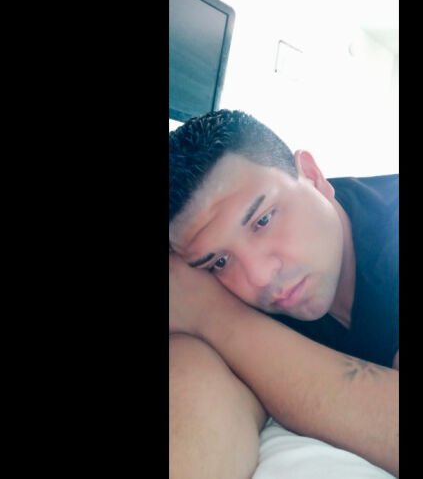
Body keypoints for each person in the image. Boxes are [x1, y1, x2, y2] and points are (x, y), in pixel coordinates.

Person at [168, 109, 399, 478]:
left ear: (312, 175)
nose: (259, 277)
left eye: (263, 219)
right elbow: (202, 391)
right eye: (220, 261)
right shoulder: (221, 286)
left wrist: (214, 318)